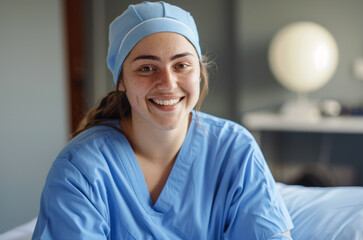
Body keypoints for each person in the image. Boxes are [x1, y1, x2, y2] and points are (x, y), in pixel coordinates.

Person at [32, 1, 294, 239]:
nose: (168, 83)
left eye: (181, 65)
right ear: (121, 81)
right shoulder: (81, 169)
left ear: (199, 72)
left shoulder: (235, 149)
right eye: (147, 68)